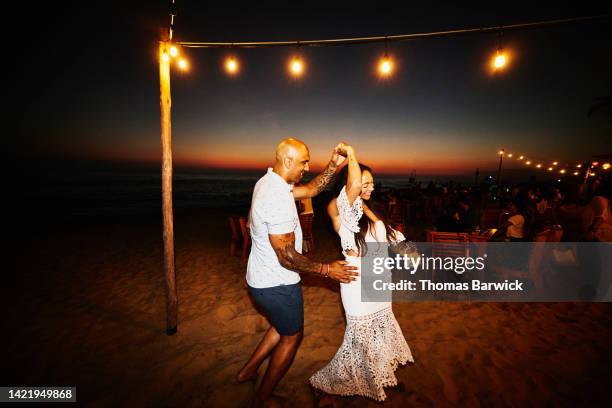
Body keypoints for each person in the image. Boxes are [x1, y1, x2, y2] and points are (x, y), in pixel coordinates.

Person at [237, 138, 359, 407]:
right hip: (277, 284)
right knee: (292, 336)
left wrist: (334, 165)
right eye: (304, 161)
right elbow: (287, 256)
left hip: (260, 280)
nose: (307, 166)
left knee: (280, 327)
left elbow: (312, 190)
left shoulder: (270, 182)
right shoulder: (276, 197)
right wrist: (328, 270)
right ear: (288, 161)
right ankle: (263, 397)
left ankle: (246, 372)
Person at [309, 145, 414, 402]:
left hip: (379, 282)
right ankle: (329, 382)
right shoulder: (341, 209)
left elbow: (392, 238)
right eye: (366, 183)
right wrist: (352, 155)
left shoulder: (372, 211)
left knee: (380, 334)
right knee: (361, 339)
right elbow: (353, 187)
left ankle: (380, 376)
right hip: (356, 283)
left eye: (373, 183)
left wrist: (411, 253)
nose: (371, 187)